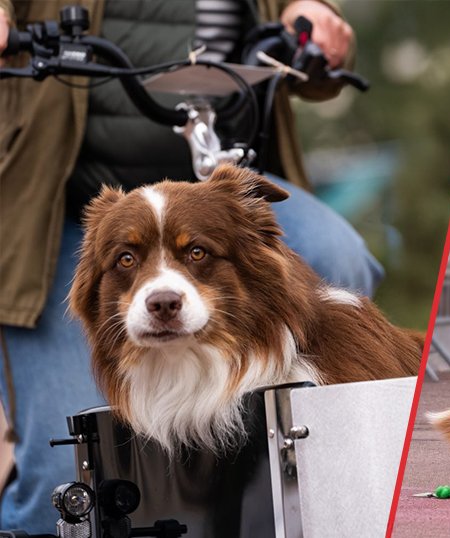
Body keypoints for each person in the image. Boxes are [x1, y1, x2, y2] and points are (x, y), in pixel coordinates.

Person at [0, 0, 382, 532]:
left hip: (221, 174)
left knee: (339, 254)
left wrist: (313, 14)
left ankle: (321, 438)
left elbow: (315, 61)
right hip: (61, 196)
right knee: (57, 473)